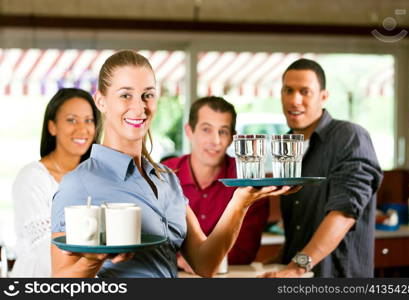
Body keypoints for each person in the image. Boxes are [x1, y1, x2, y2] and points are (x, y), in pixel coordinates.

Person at [50, 50, 292, 278]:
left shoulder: (167, 179)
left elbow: (205, 263)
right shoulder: (79, 184)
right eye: (125, 95)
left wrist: (240, 201)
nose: (139, 107)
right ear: (101, 102)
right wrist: (94, 259)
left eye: (148, 95)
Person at [262, 58, 383, 278]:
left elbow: (344, 213)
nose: (294, 100)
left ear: (323, 96)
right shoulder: (287, 147)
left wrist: (296, 267)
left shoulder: (350, 137)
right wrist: (279, 261)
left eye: (305, 91)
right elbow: (300, 226)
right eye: (288, 90)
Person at [163, 96, 269, 273]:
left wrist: (202, 260)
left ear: (232, 137)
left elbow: (245, 251)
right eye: (206, 130)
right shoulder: (164, 175)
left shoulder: (249, 179)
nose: (216, 141)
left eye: (223, 131)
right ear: (189, 131)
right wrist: (181, 260)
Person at [11, 88, 100, 277]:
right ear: (52, 127)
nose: (82, 129)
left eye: (88, 120)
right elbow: (44, 246)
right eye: (71, 120)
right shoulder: (33, 177)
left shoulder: (96, 178)